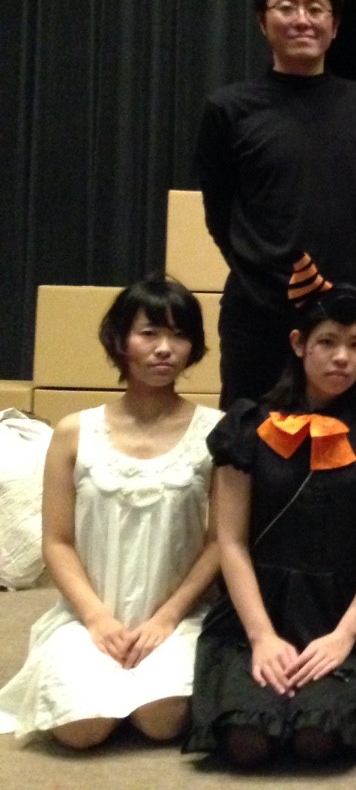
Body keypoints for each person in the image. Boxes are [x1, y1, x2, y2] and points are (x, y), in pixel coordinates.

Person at [185, 268, 356, 767]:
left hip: (345, 611)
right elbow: (230, 542)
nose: (342, 357)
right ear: (298, 343)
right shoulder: (249, 424)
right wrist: (262, 637)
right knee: (246, 741)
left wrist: (347, 634)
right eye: (327, 342)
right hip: (257, 608)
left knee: (318, 738)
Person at [0, 278, 220, 747]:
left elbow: (220, 542)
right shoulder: (74, 432)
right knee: (80, 730)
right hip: (89, 614)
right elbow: (57, 542)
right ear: (120, 341)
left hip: (177, 616)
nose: (165, 348)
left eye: (179, 335)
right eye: (149, 333)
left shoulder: (215, 433)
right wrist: (97, 618)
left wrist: (167, 618)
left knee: (162, 720)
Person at [196, 0, 356, 408]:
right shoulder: (229, 109)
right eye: (286, 7)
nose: (302, 19)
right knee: (252, 439)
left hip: (348, 314)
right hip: (259, 315)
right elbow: (219, 213)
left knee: (353, 441)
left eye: (315, 8)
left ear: (335, 25)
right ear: (262, 21)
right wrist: (265, 273)